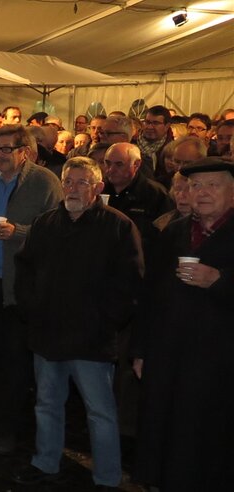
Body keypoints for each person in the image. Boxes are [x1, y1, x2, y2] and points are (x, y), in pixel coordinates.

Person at [12, 157, 142, 488]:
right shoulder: (46, 223)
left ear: (98, 188)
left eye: (82, 183)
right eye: (68, 182)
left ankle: (107, 477)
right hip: (48, 335)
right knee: (47, 404)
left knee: (100, 413)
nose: (72, 189)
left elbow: (129, 283)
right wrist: (31, 308)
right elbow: (24, 269)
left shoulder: (117, 226)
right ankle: (45, 462)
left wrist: (105, 321)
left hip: (91, 339)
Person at [133, 157, 234, 490]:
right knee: (165, 435)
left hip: (218, 364)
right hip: (168, 356)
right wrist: (141, 349)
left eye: (212, 185)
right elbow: (149, 294)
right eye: (194, 185)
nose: (201, 193)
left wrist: (220, 281)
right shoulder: (175, 230)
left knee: (208, 443)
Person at [0, 124, 64, 454]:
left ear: (25, 151)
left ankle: (9, 427)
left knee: (15, 360)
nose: (0, 154)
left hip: (21, 286)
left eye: (7, 148)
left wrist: (18, 230)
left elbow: (56, 230)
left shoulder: (43, 181)